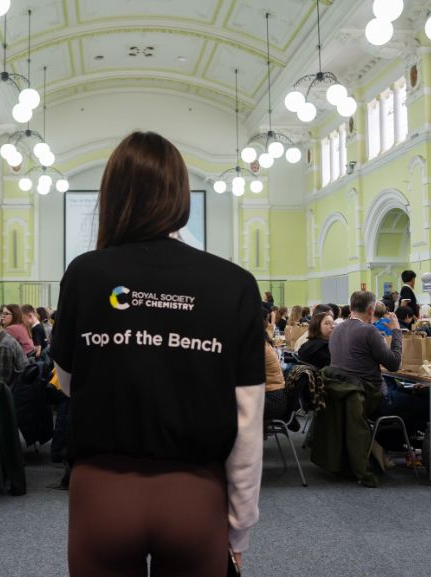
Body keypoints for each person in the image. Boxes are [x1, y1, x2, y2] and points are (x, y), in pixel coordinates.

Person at [50, 132, 265, 576]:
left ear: (111, 195)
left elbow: (70, 381)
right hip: (195, 495)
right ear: (181, 195)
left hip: (101, 494)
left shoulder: (84, 273)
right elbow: (247, 419)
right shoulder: (234, 283)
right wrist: (240, 526)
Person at [314, 291, 402, 487]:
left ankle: (382, 450)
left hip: (344, 393)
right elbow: (395, 364)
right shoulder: (368, 331)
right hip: (370, 397)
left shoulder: (336, 330)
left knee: (405, 393)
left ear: (351, 307)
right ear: (371, 310)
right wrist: (397, 332)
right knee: (421, 402)